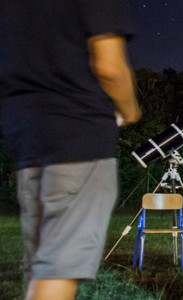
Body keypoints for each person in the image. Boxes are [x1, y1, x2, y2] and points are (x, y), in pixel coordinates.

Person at [0, 0, 141, 298]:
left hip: (27, 138)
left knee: (43, 268)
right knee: (59, 272)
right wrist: (130, 110)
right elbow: (110, 67)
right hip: (79, 136)